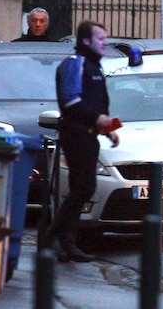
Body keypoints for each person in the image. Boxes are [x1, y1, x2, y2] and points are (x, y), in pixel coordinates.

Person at [45, 20, 120, 262]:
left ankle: (64, 243)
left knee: (84, 188)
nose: (105, 42)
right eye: (100, 38)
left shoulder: (94, 67)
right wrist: (99, 118)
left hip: (88, 135)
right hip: (75, 134)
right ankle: (55, 240)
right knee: (82, 188)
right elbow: (70, 101)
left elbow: (95, 103)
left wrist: (108, 128)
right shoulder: (75, 64)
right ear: (86, 41)